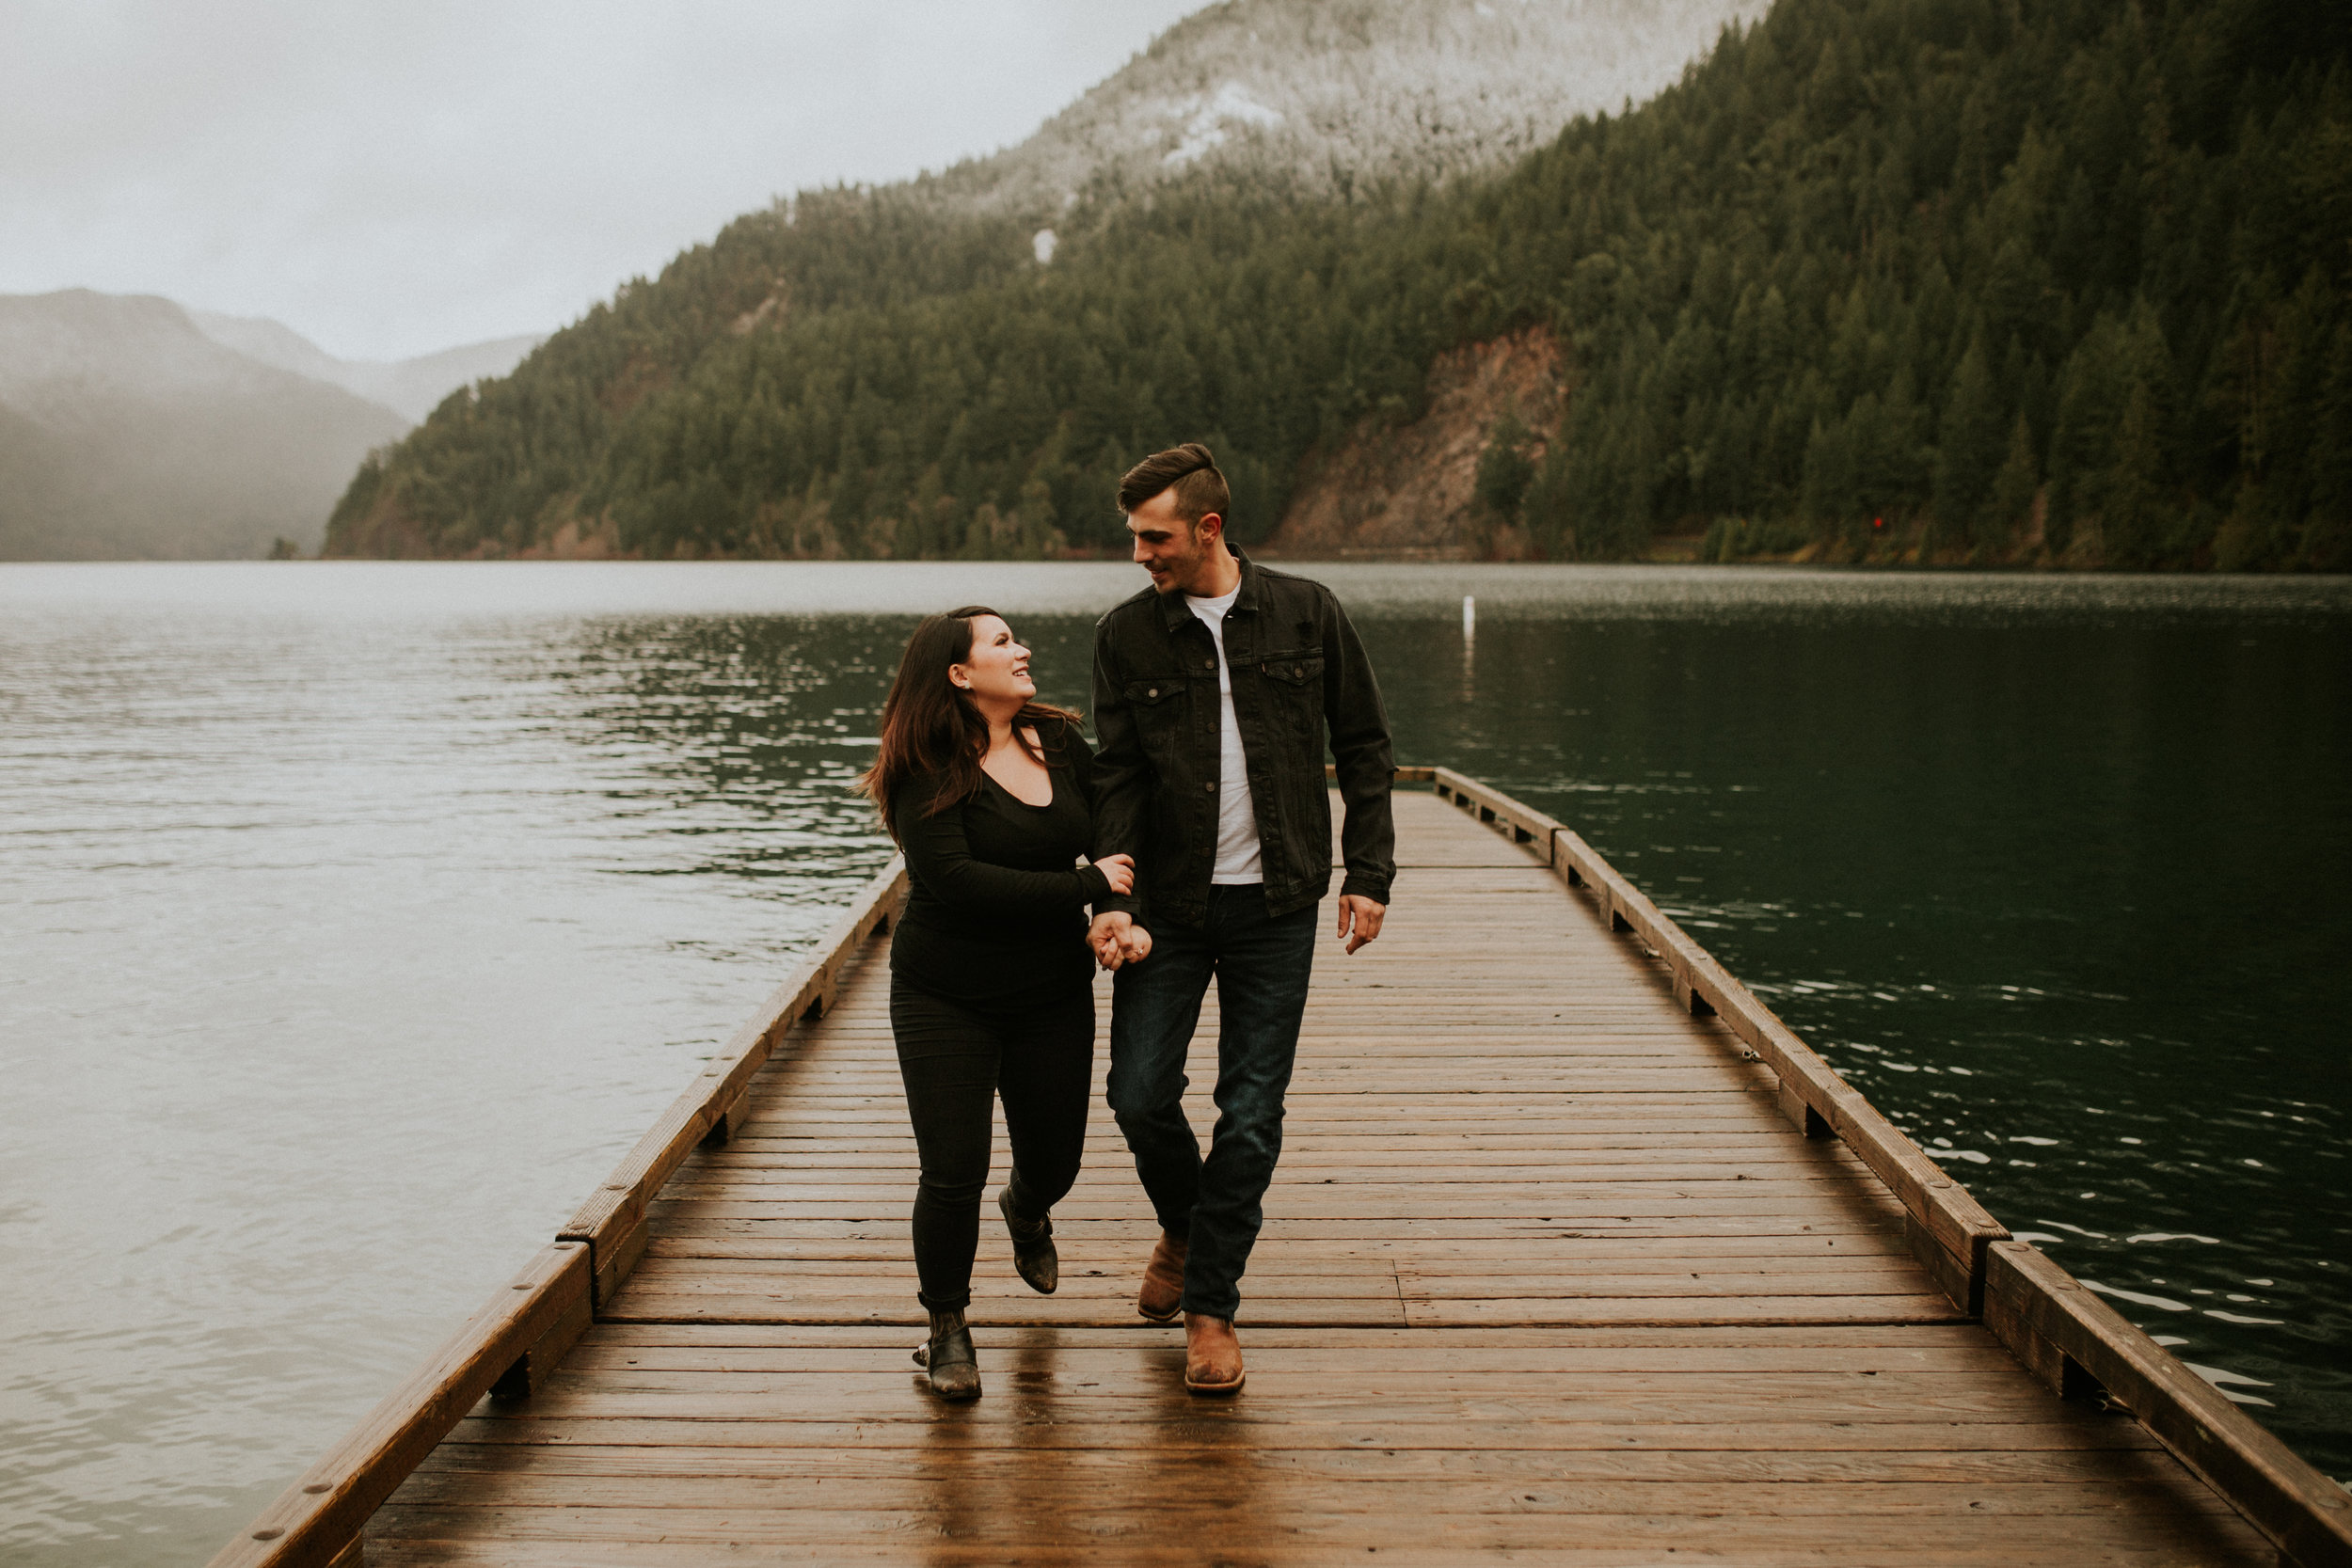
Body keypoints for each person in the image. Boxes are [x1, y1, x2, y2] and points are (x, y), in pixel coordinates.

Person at [1087, 443, 1396, 1396]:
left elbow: (1365, 744)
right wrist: (1110, 896)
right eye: (1134, 537)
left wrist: (1369, 871)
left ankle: (1211, 1304)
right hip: (1168, 906)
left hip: (1277, 902)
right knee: (1137, 1092)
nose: (1140, 554)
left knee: (1250, 1113)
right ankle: (1186, 1226)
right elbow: (1118, 775)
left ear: (1208, 528)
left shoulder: (1307, 611)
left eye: (1155, 537)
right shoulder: (1126, 634)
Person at [861, 607, 1146, 1401]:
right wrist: (1089, 886)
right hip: (943, 993)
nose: (1021, 650)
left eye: (1015, 638)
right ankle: (947, 1328)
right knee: (952, 1170)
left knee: (1055, 1158)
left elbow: (1116, 820)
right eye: (1000, 642)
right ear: (959, 673)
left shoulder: (1054, 740)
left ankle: (1027, 1207)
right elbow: (957, 881)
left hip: (1050, 990)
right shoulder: (926, 760)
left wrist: (1116, 911)